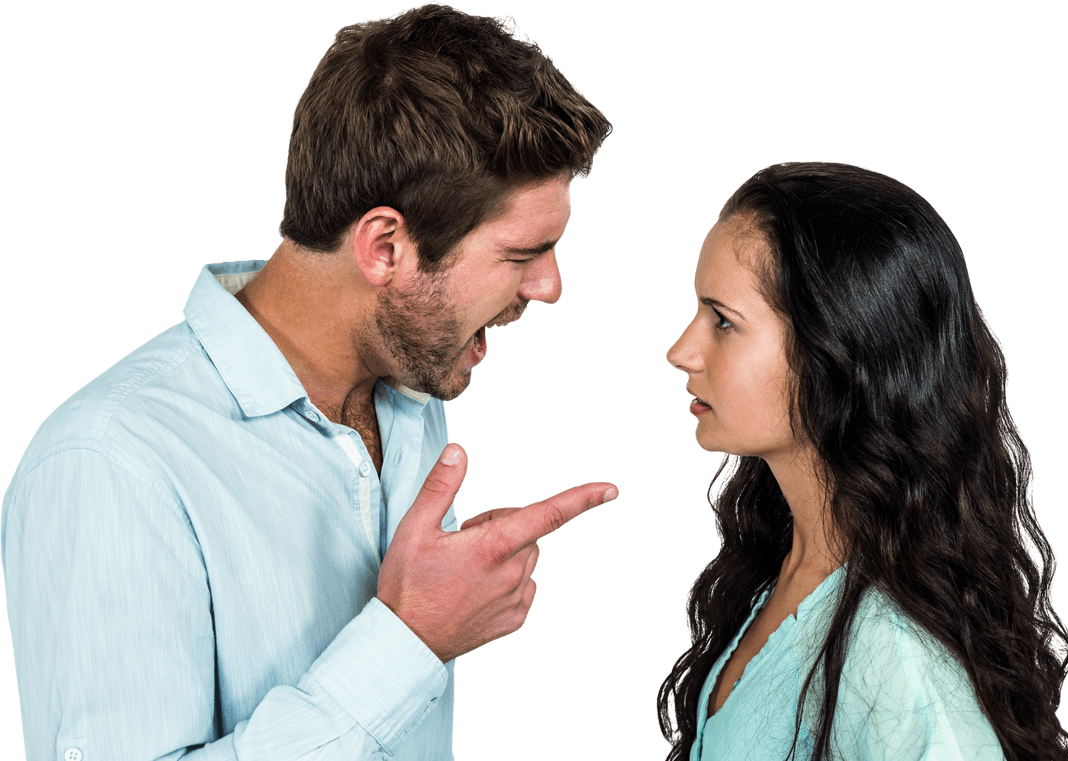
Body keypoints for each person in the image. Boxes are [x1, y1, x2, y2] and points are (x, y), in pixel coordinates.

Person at [1, 4, 615, 760]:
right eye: (522, 254)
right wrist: (411, 639)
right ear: (384, 246)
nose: (550, 287)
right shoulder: (110, 463)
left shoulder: (408, 400)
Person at [659, 162, 1068, 761]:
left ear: (837, 350)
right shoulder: (779, 575)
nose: (681, 351)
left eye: (724, 321)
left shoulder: (897, 656)